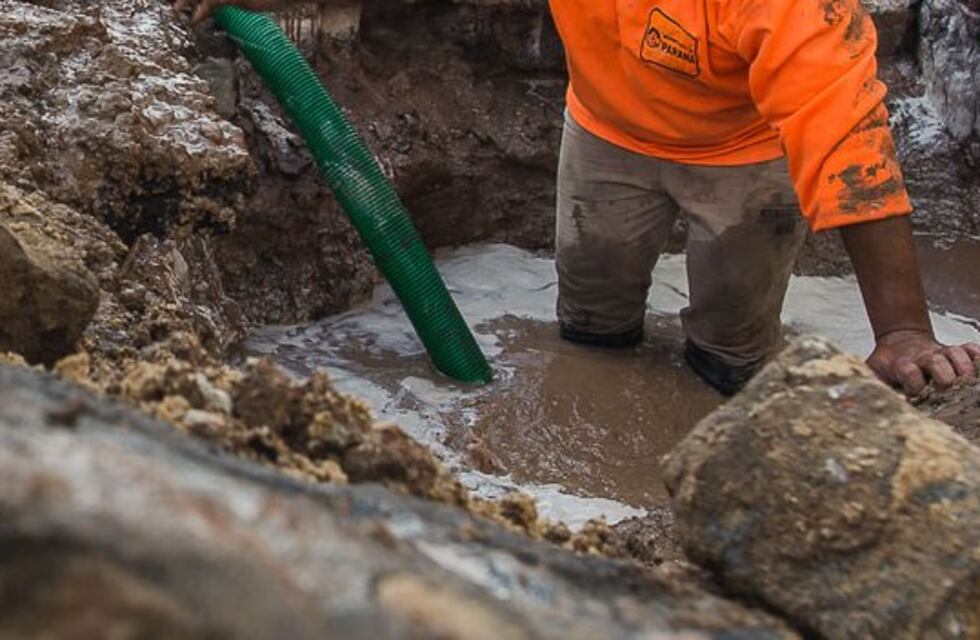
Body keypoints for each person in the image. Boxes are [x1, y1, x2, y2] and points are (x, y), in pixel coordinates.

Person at [175, 0, 980, 396]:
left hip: (745, 157)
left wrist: (904, 330)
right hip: (605, 132)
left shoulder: (796, 7)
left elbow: (851, 153)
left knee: (734, 346)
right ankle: (601, 368)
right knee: (592, 320)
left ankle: (720, 377)